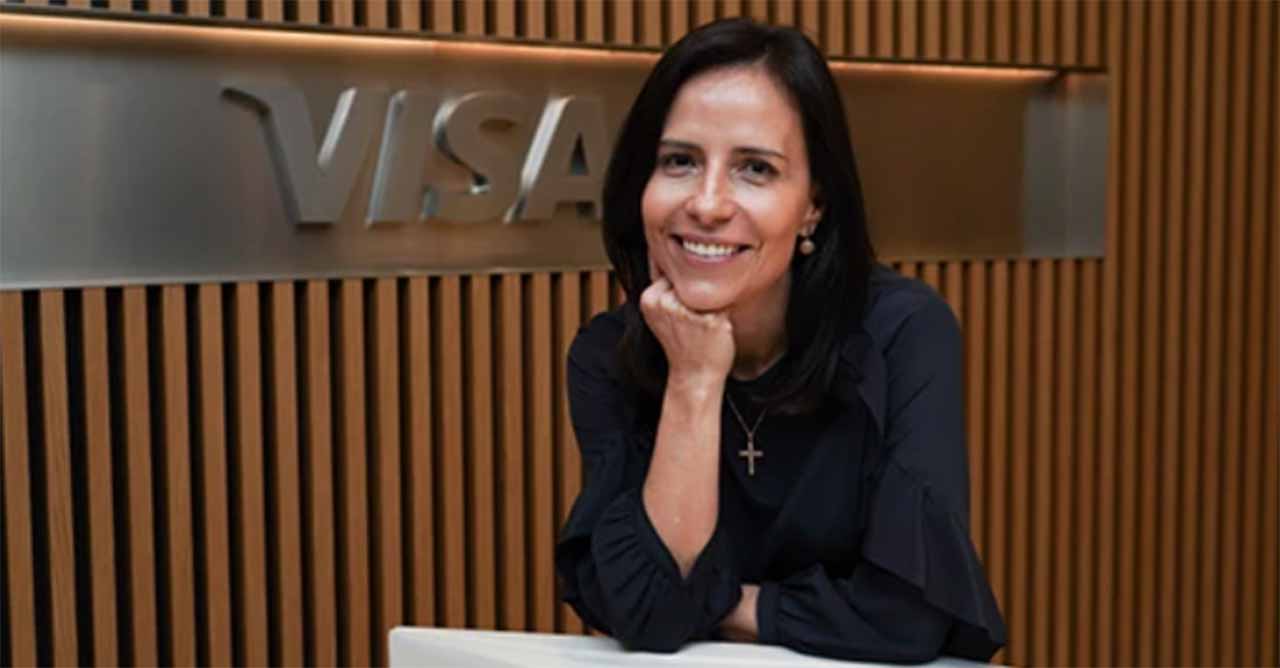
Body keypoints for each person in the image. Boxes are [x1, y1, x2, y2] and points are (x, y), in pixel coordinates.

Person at [554, 17, 1006, 664]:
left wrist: (713, 604)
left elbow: (906, 618)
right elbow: (648, 611)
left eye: (755, 169)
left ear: (813, 204)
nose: (707, 204)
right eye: (680, 161)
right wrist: (695, 379)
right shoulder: (608, 356)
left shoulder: (902, 334)